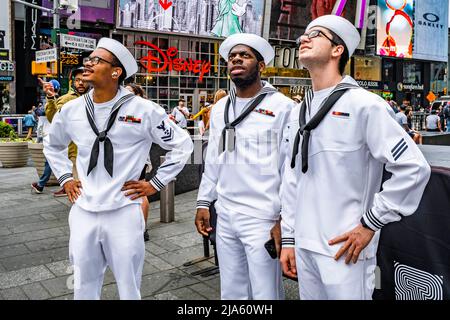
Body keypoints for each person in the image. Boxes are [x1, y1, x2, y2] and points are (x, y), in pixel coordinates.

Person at [280, 15, 431, 300]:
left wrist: (370, 223)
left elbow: (413, 167)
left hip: (345, 248)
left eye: (316, 34)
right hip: (304, 243)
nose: (304, 38)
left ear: (338, 50)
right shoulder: (298, 111)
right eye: (304, 34)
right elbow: (292, 176)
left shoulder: (365, 104)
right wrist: (289, 237)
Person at [43, 38, 193, 299]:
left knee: (128, 287)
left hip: (124, 210)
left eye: (96, 60)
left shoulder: (144, 110)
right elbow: (52, 144)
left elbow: (182, 145)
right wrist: (66, 178)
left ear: (116, 72)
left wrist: (155, 184)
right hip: (84, 210)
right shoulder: (72, 110)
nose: (88, 64)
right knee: (83, 285)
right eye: (88, 59)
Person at [195, 33, 295, 299]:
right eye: (232, 57)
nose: (236, 59)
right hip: (225, 213)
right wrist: (204, 201)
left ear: (261, 66)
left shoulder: (283, 107)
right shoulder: (220, 109)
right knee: (231, 290)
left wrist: (285, 219)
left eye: (245, 55)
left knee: (266, 293)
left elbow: (290, 168)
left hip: (263, 216)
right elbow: (215, 157)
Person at [31, 68, 88, 196]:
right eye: (77, 80)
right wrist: (51, 97)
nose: (80, 83)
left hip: (94, 152)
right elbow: (54, 118)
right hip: (76, 152)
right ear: (72, 82)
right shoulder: (67, 99)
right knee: (81, 191)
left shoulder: (96, 98)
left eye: (84, 80)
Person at [125, 82, 151, 242]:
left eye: (129, 92)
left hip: (138, 158)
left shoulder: (141, 111)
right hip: (126, 159)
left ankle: (142, 228)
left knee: (139, 192)